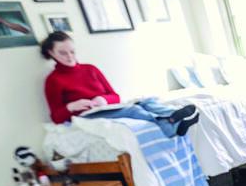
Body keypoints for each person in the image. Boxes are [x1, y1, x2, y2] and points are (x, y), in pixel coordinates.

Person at [41, 32, 198, 137]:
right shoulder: (53, 80)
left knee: (146, 101)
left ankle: (175, 117)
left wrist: (104, 100)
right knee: (133, 110)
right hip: (87, 115)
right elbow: (56, 117)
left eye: (72, 51)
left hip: (105, 106)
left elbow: (115, 96)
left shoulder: (90, 69)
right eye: (63, 53)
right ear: (51, 53)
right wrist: (71, 106)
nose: (69, 57)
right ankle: (170, 125)